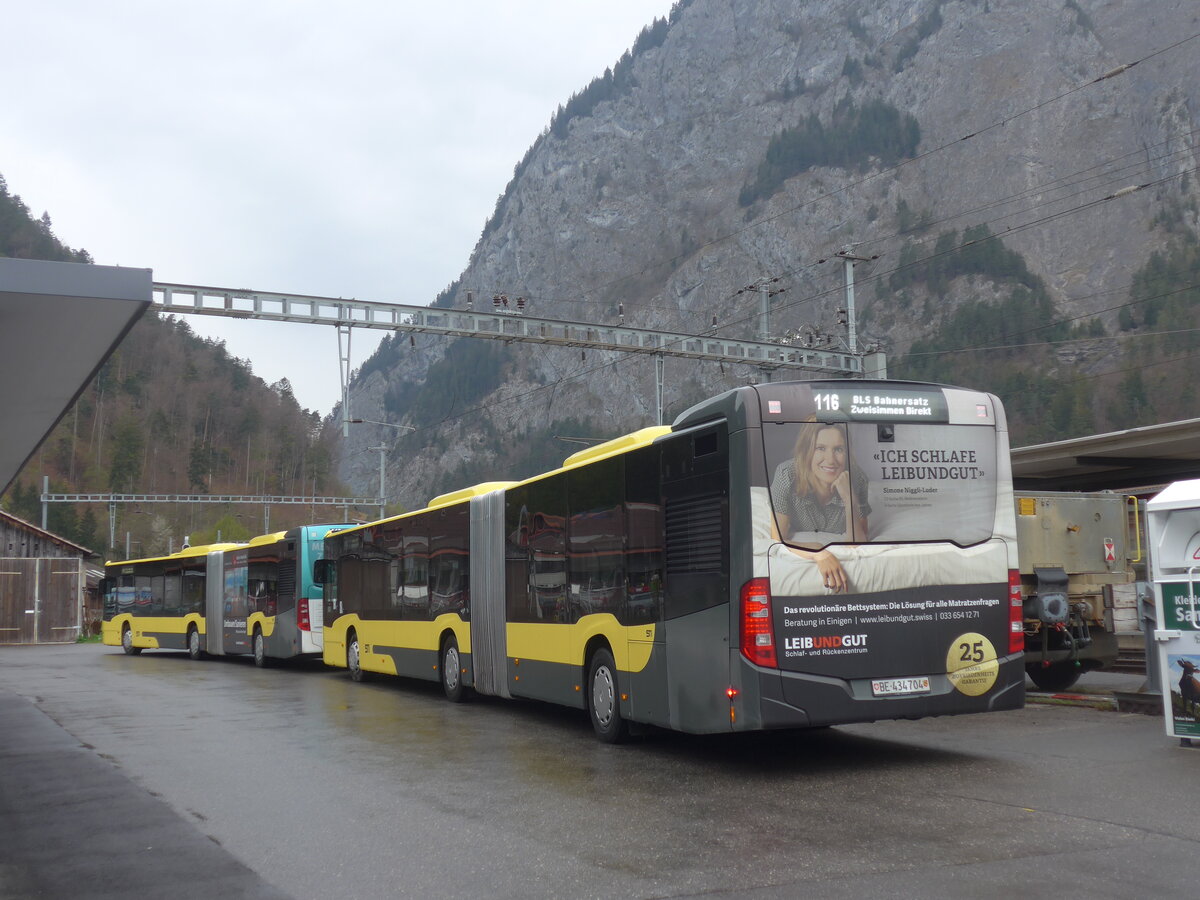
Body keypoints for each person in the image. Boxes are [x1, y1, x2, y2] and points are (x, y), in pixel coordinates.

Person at [769, 422, 870, 593]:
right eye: (820, 448)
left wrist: (849, 500)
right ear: (807, 452)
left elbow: (857, 543)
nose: (830, 460)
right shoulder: (786, 473)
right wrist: (818, 552)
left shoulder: (857, 477)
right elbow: (777, 540)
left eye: (838, 449)